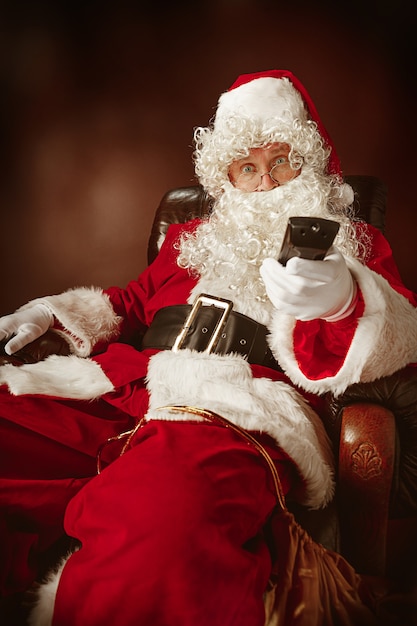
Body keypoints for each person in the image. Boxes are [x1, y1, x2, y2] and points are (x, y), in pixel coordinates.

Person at [0, 69, 416, 626]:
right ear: (227, 177)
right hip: (125, 396)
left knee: (157, 526)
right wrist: (51, 312)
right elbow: (129, 303)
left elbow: (396, 334)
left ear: (310, 163)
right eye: (247, 167)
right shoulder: (188, 241)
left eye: (282, 161)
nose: (265, 182)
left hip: (235, 412)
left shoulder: (351, 243)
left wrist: (341, 299)